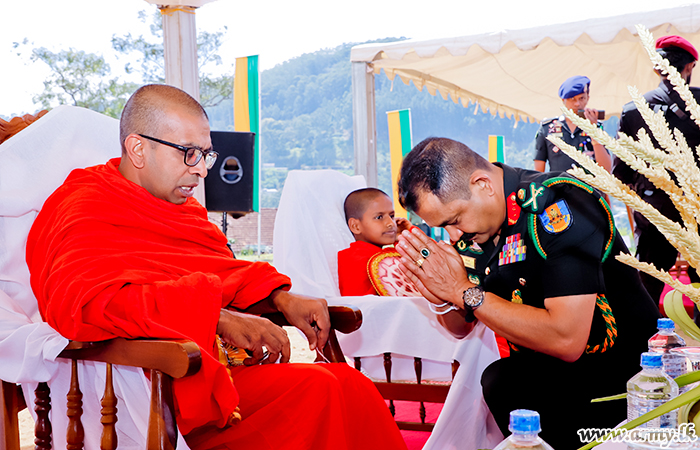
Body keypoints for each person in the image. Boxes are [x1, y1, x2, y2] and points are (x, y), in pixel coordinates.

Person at [26, 84, 407, 450]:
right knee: (320, 389)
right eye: (188, 153)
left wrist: (280, 297)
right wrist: (217, 317)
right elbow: (88, 303)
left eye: (205, 154)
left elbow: (221, 272)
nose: (202, 170)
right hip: (150, 385)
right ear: (138, 148)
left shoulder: (185, 211)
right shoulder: (84, 204)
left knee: (349, 383)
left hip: (210, 369)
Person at [394, 137, 660, 449]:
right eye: (443, 227)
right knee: (503, 382)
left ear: (482, 184)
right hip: (553, 369)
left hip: (626, 373)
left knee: (505, 381)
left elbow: (567, 339)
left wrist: (462, 291)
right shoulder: (473, 231)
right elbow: (460, 326)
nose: (454, 234)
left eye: (454, 220)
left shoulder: (559, 203)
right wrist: (440, 295)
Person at [613, 35, 700, 306]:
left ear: (657, 69)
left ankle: (644, 331)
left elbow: (622, 173)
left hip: (655, 210)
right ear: (689, 66)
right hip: (697, 207)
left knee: (648, 283)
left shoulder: (633, 110)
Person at [338, 187, 410, 296]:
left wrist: (407, 236)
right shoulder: (353, 259)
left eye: (391, 216)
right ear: (355, 226)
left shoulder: (385, 254)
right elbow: (361, 304)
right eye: (379, 217)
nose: (391, 223)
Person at [534, 75, 611, 173]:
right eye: (572, 99)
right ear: (563, 100)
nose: (577, 104)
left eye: (581, 98)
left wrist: (594, 133)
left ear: (588, 98)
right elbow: (538, 171)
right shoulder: (547, 128)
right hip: (559, 182)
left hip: (587, 183)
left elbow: (606, 169)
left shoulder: (596, 127)